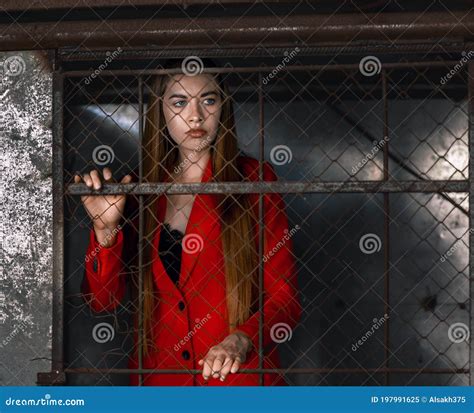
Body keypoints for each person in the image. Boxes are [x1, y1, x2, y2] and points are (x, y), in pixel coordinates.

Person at [74, 57, 301, 386]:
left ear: (224, 107)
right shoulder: (138, 190)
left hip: (239, 388)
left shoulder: (254, 179)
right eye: (179, 102)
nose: (195, 116)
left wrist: (241, 339)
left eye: (208, 100)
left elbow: (285, 298)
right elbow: (101, 302)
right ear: (161, 111)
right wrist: (105, 231)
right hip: (161, 384)